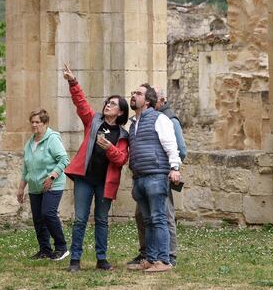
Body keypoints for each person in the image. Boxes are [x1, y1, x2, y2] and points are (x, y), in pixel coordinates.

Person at [63, 64, 129, 273]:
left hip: (105, 183)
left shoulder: (122, 135)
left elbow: (120, 160)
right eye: (107, 102)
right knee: (80, 219)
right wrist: (73, 82)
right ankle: (75, 260)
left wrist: (109, 148)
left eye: (113, 104)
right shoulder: (94, 121)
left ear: (120, 112)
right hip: (85, 179)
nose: (108, 105)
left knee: (101, 220)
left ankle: (101, 259)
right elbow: (81, 104)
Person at [127, 88, 187, 268]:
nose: (133, 95)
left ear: (147, 101)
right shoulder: (133, 124)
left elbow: (171, 145)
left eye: (138, 93)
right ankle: (151, 259)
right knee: (147, 220)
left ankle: (163, 260)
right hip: (139, 177)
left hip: (156, 175)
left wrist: (175, 168)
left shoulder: (160, 119)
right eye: (133, 92)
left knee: (158, 218)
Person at [17, 108, 69, 261]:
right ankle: (45, 250)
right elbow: (26, 168)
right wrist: (21, 188)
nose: (34, 125)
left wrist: (52, 177)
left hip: (52, 184)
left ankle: (62, 247)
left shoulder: (52, 139)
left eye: (37, 122)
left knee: (48, 214)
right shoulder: (29, 143)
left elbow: (64, 160)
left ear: (45, 123)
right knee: (38, 219)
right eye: (32, 122)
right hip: (34, 186)